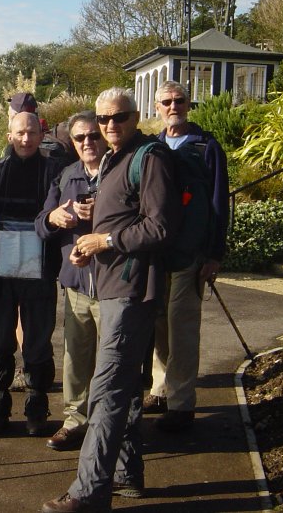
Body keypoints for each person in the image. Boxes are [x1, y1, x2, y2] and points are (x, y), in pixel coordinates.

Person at [43, 87, 182, 512]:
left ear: (136, 116)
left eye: (118, 117)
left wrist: (105, 240)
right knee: (120, 388)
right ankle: (125, 475)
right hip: (110, 284)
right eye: (103, 120)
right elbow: (116, 222)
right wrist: (88, 249)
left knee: (106, 391)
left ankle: (88, 492)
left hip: (134, 289)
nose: (109, 126)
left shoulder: (151, 158)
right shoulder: (112, 160)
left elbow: (160, 228)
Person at [0, 111, 66, 436]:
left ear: (41, 135)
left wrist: (54, 266)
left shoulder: (55, 172)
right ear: (9, 135)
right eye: (19, 133)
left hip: (40, 271)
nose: (25, 139)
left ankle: (37, 403)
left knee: (38, 340)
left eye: (31, 133)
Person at [143, 80, 229, 433]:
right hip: (156, 254)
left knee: (182, 328)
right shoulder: (152, 147)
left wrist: (214, 254)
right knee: (158, 324)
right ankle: (160, 389)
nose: (173, 106)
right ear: (157, 107)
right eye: (167, 101)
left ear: (189, 104)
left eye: (179, 100)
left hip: (190, 254)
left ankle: (181, 404)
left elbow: (219, 204)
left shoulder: (207, 147)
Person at [35, 111, 107, 452]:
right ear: (73, 142)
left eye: (93, 136)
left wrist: (101, 215)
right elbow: (40, 224)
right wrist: (54, 217)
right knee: (76, 359)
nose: (88, 143)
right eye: (80, 138)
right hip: (77, 285)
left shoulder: (120, 173)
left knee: (113, 363)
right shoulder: (67, 176)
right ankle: (74, 421)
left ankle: (108, 427)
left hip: (113, 286)